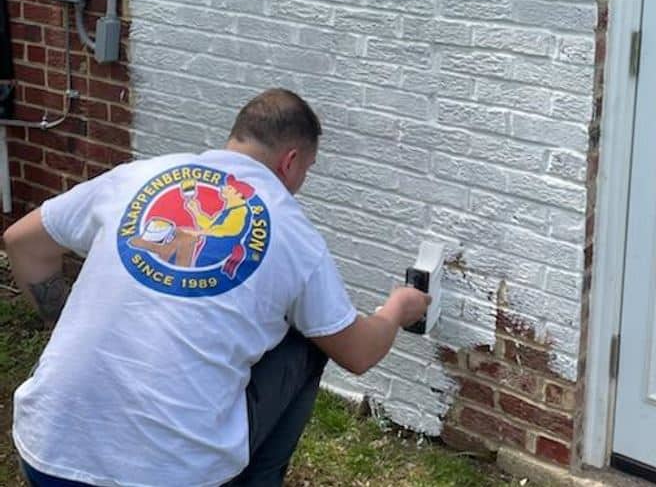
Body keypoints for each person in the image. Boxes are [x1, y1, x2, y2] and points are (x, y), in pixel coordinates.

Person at [4, 88, 431, 487]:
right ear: (291, 160)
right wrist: (396, 308)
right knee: (311, 339)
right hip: (173, 476)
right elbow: (356, 352)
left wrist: (62, 321)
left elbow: (22, 242)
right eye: (307, 170)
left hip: (47, 452)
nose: (302, 180)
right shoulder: (292, 231)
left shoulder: (137, 176)